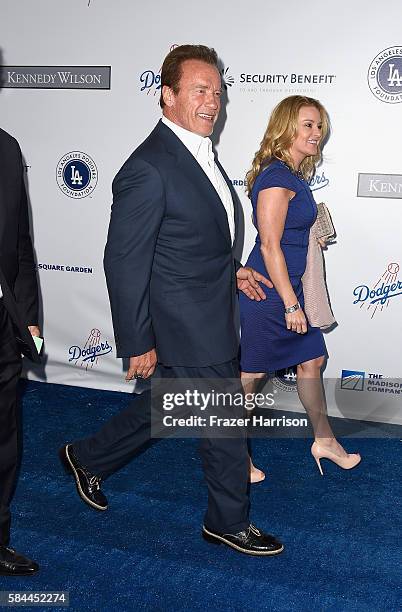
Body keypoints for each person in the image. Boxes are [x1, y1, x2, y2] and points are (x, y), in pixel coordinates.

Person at [60, 45, 284, 556]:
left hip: (209, 306)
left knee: (169, 407)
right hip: (186, 322)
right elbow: (125, 261)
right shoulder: (148, 167)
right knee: (224, 423)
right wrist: (137, 340)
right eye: (200, 90)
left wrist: (233, 272)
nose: (213, 102)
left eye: (218, 92)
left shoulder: (197, 151)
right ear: (168, 95)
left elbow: (190, 238)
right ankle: (227, 521)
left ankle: (87, 457)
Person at [240, 96, 361, 477]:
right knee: (251, 376)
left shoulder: (294, 176)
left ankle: (324, 440)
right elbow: (269, 244)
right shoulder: (276, 177)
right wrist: (292, 305)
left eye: (319, 126)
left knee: (313, 360)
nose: (316, 133)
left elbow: (290, 234)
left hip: (288, 288)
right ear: (286, 127)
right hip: (267, 293)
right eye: (307, 125)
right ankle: (230, 456)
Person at [0, 127, 41, 575]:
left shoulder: (7, 146)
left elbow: (19, 245)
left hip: (2, 319)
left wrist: (28, 321)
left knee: (3, 441)